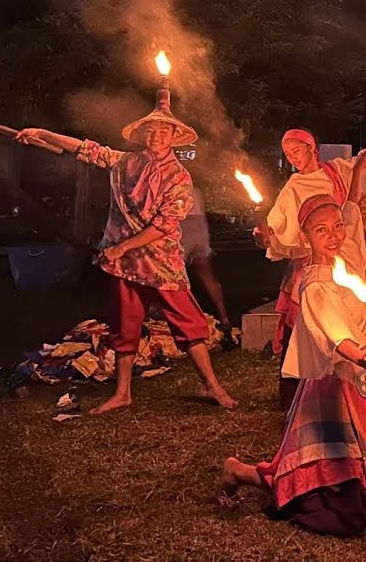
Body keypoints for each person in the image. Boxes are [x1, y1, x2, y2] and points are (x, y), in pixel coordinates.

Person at [220, 194, 366, 536]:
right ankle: (239, 471)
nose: (333, 236)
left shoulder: (342, 269)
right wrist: (360, 355)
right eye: (321, 230)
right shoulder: (314, 284)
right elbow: (332, 332)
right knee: (311, 475)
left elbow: (361, 318)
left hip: (357, 374)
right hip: (330, 382)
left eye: (338, 227)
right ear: (306, 237)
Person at [16, 86, 235, 414]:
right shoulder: (126, 163)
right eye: (151, 130)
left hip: (161, 264)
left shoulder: (178, 176)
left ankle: (211, 385)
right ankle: (123, 392)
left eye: (163, 130)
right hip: (125, 264)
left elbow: (164, 225)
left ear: (174, 136)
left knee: (188, 323)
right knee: (125, 325)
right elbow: (87, 150)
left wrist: (121, 249)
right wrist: (42, 133)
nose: (156, 135)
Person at [258, 119, 366, 408]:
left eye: (296, 151)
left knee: (353, 319)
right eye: (288, 155)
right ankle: (298, 396)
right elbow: (278, 222)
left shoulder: (335, 170)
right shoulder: (294, 186)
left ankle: (359, 391)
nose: (293, 158)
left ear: (312, 148)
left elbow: (357, 179)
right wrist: (268, 235)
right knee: (305, 331)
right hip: (312, 263)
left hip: (342, 258)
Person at [181, 186, 233, 335]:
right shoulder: (195, 189)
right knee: (207, 276)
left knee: (172, 275)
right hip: (199, 226)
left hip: (183, 225)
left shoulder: (173, 184)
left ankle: (185, 319)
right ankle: (224, 318)